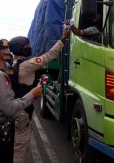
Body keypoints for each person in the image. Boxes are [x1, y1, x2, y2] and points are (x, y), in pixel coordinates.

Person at [9, 28, 70, 163]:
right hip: (22, 113)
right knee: (19, 151)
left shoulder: (13, 64)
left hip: (17, 110)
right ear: (20, 49)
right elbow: (50, 55)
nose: (30, 47)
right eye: (27, 46)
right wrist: (63, 38)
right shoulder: (27, 65)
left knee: (18, 147)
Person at [0, 39, 43, 163]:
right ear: (1, 56)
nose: (11, 56)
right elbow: (9, 109)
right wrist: (31, 94)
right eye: (8, 54)